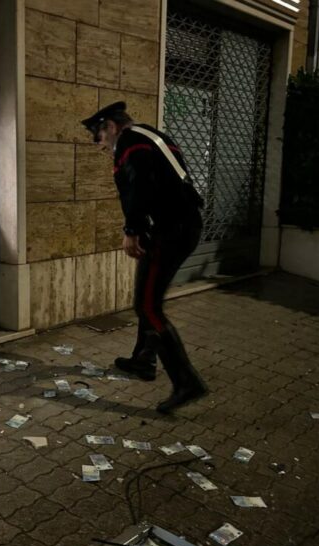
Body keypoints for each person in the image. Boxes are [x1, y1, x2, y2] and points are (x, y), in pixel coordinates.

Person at [81, 101, 207, 412]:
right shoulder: (147, 134)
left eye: (97, 138)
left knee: (148, 306)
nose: (99, 147)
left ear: (110, 126)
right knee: (146, 294)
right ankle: (143, 359)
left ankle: (186, 382)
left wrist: (133, 229)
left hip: (173, 229)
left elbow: (139, 186)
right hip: (177, 224)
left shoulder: (130, 142)